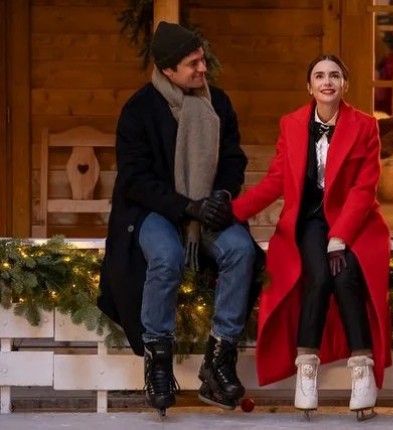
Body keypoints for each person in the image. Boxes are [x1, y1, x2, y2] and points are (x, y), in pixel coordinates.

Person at [97, 21, 262, 416]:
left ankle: (218, 361)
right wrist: (189, 207)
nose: (203, 68)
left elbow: (234, 159)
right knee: (166, 255)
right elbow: (135, 180)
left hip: (207, 207)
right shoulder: (139, 110)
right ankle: (157, 365)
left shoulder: (218, 104)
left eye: (202, 59)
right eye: (193, 63)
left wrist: (222, 195)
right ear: (168, 70)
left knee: (241, 250)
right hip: (153, 210)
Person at [231, 54, 392, 421]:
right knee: (317, 278)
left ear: (345, 85)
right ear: (310, 86)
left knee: (345, 276)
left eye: (334, 75)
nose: (327, 81)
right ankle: (306, 372)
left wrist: (340, 237)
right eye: (319, 76)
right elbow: (276, 180)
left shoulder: (365, 125)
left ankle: (362, 374)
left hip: (355, 220)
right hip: (309, 219)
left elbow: (364, 188)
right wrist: (233, 212)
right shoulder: (291, 124)